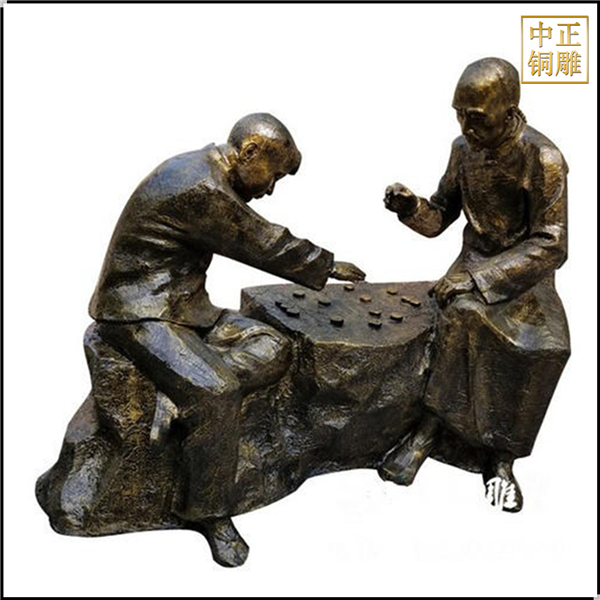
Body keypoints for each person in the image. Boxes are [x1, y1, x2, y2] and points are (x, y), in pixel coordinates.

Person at [89, 113, 365, 565]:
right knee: (217, 392)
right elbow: (259, 240)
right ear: (249, 152)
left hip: (184, 308)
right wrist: (327, 265)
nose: (270, 189)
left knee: (275, 347)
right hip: (139, 313)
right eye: (273, 176)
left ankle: (177, 397)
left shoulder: (207, 171)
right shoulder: (201, 185)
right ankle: (208, 512)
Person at [380, 58, 570, 512]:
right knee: (462, 314)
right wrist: (411, 208)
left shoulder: (543, 158)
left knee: (549, 349)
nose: (466, 126)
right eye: (459, 115)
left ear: (509, 111)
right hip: (472, 265)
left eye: (477, 117)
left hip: (523, 279)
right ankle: (427, 432)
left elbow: (552, 244)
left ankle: (501, 458)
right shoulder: (463, 150)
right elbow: (439, 217)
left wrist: (480, 278)